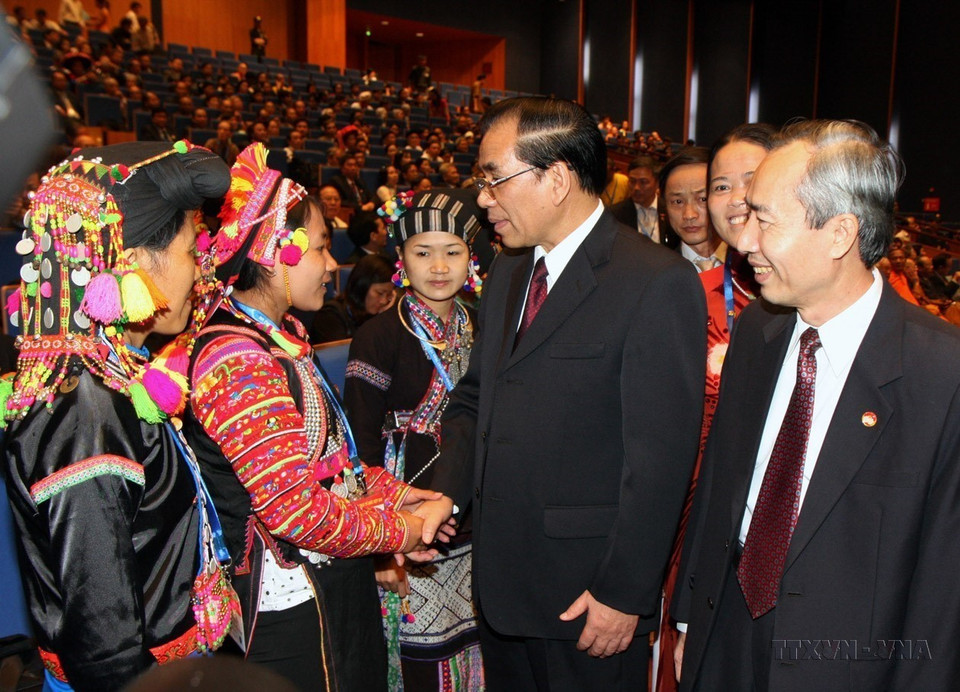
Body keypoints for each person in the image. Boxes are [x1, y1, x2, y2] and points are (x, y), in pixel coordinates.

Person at [418, 97, 707, 690]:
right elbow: (477, 400)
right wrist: (445, 494)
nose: (483, 198)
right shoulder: (509, 270)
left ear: (555, 178)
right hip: (502, 586)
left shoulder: (654, 282)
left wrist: (624, 591)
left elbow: (661, 459)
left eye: (494, 178)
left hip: (588, 598)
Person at [673, 120, 960, 691]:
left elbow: (943, 588)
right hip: (725, 639)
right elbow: (721, 489)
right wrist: (689, 621)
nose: (743, 237)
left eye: (765, 220)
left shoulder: (941, 375)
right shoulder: (758, 330)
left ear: (839, 234)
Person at [183, 143, 449, 691]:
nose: (332, 264)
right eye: (322, 248)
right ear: (278, 250)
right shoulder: (237, 359)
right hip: (283, 611)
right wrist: (399, 528)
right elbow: (293, 511)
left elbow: (336, 467)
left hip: (328, 584)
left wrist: (402, 496)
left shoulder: (285, 338)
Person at [3, 141, 238, 690]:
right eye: (189, 251)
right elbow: (106, 642)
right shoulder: (87, 410)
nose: (200, 273)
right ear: (131, 264)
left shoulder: (109, 378)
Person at [345, 189, 485, 690]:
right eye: (423, 253)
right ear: (401, 259)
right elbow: (358, 449)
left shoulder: (484, 324)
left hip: (477, 520)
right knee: (420, 661)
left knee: (479, 654)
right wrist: (383, 547)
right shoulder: (379, 335)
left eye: (453, 251)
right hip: (406, 525)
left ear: (472, 257)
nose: (440, 266)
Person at [654, 123, 775, 692]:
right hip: (697, 512)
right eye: (719, 186)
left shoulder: (822, 302)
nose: (730, 201)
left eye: (747, 182)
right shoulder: (687, 295)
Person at [659, 147, 725, 272]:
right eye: (678, 202)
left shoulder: (753, 266)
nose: (689, 215)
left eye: (703, 199)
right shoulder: (657, 274)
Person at [310, 254, 396, 343]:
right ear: (362, 287)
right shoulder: (330, 315)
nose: (384, 300)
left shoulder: (380, 314)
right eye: (380, 293)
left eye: (389, 295)